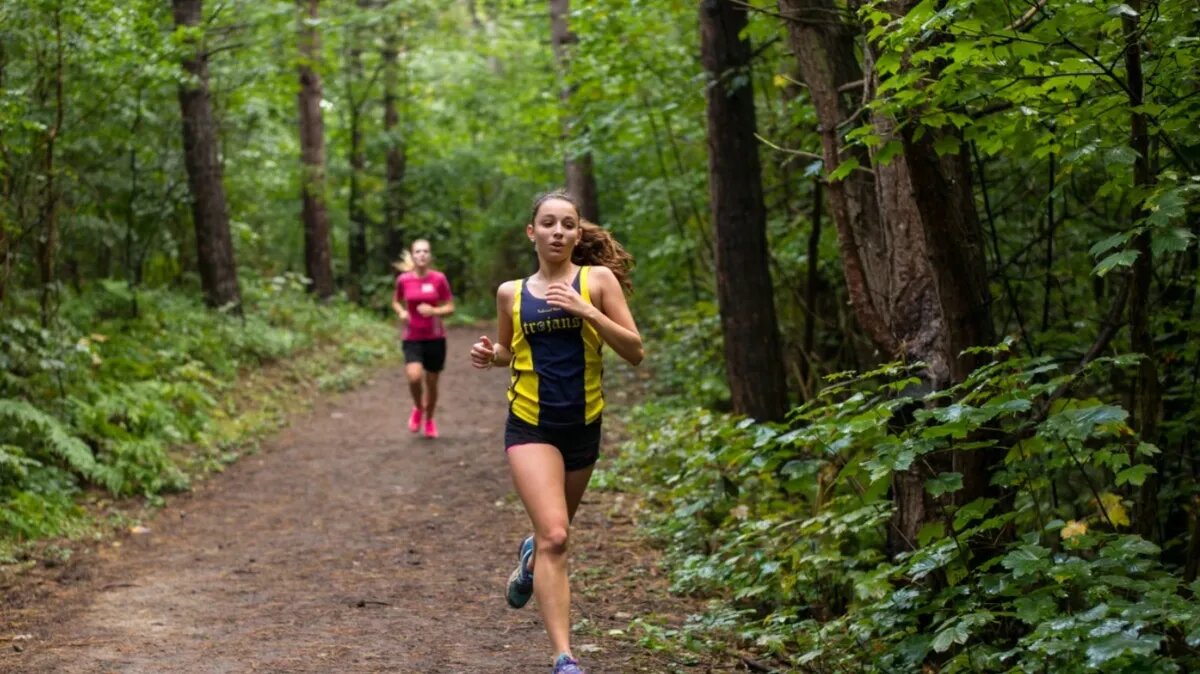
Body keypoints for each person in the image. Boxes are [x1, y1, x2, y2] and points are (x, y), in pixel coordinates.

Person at [470, 190, 643, 674]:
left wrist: (587, 310)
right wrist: (490, 356)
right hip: (530, 425)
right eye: (548, 223)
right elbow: (508, 351)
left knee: (550, 537)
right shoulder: (512, 292)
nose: (558, 232)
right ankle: (564, 658)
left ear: (578, 232)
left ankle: (529, 563)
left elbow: (635, 350)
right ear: (533, 232)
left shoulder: (597, 281)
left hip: (583, 425)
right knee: (556, 536)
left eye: (568, 224)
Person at [392, 238, 455, 439]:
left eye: (425, 251)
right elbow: (395, 301)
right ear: (412, 255)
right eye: (418, 251)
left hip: (435, 337)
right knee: (414, 376)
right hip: (412, 336)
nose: (421, 254)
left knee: (432, 383)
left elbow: (450, 307)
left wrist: (434, 310)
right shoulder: (403, 280)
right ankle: (419, 407)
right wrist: (401, 312)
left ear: (430, 256)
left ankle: (429, 419)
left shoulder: (439, 279)